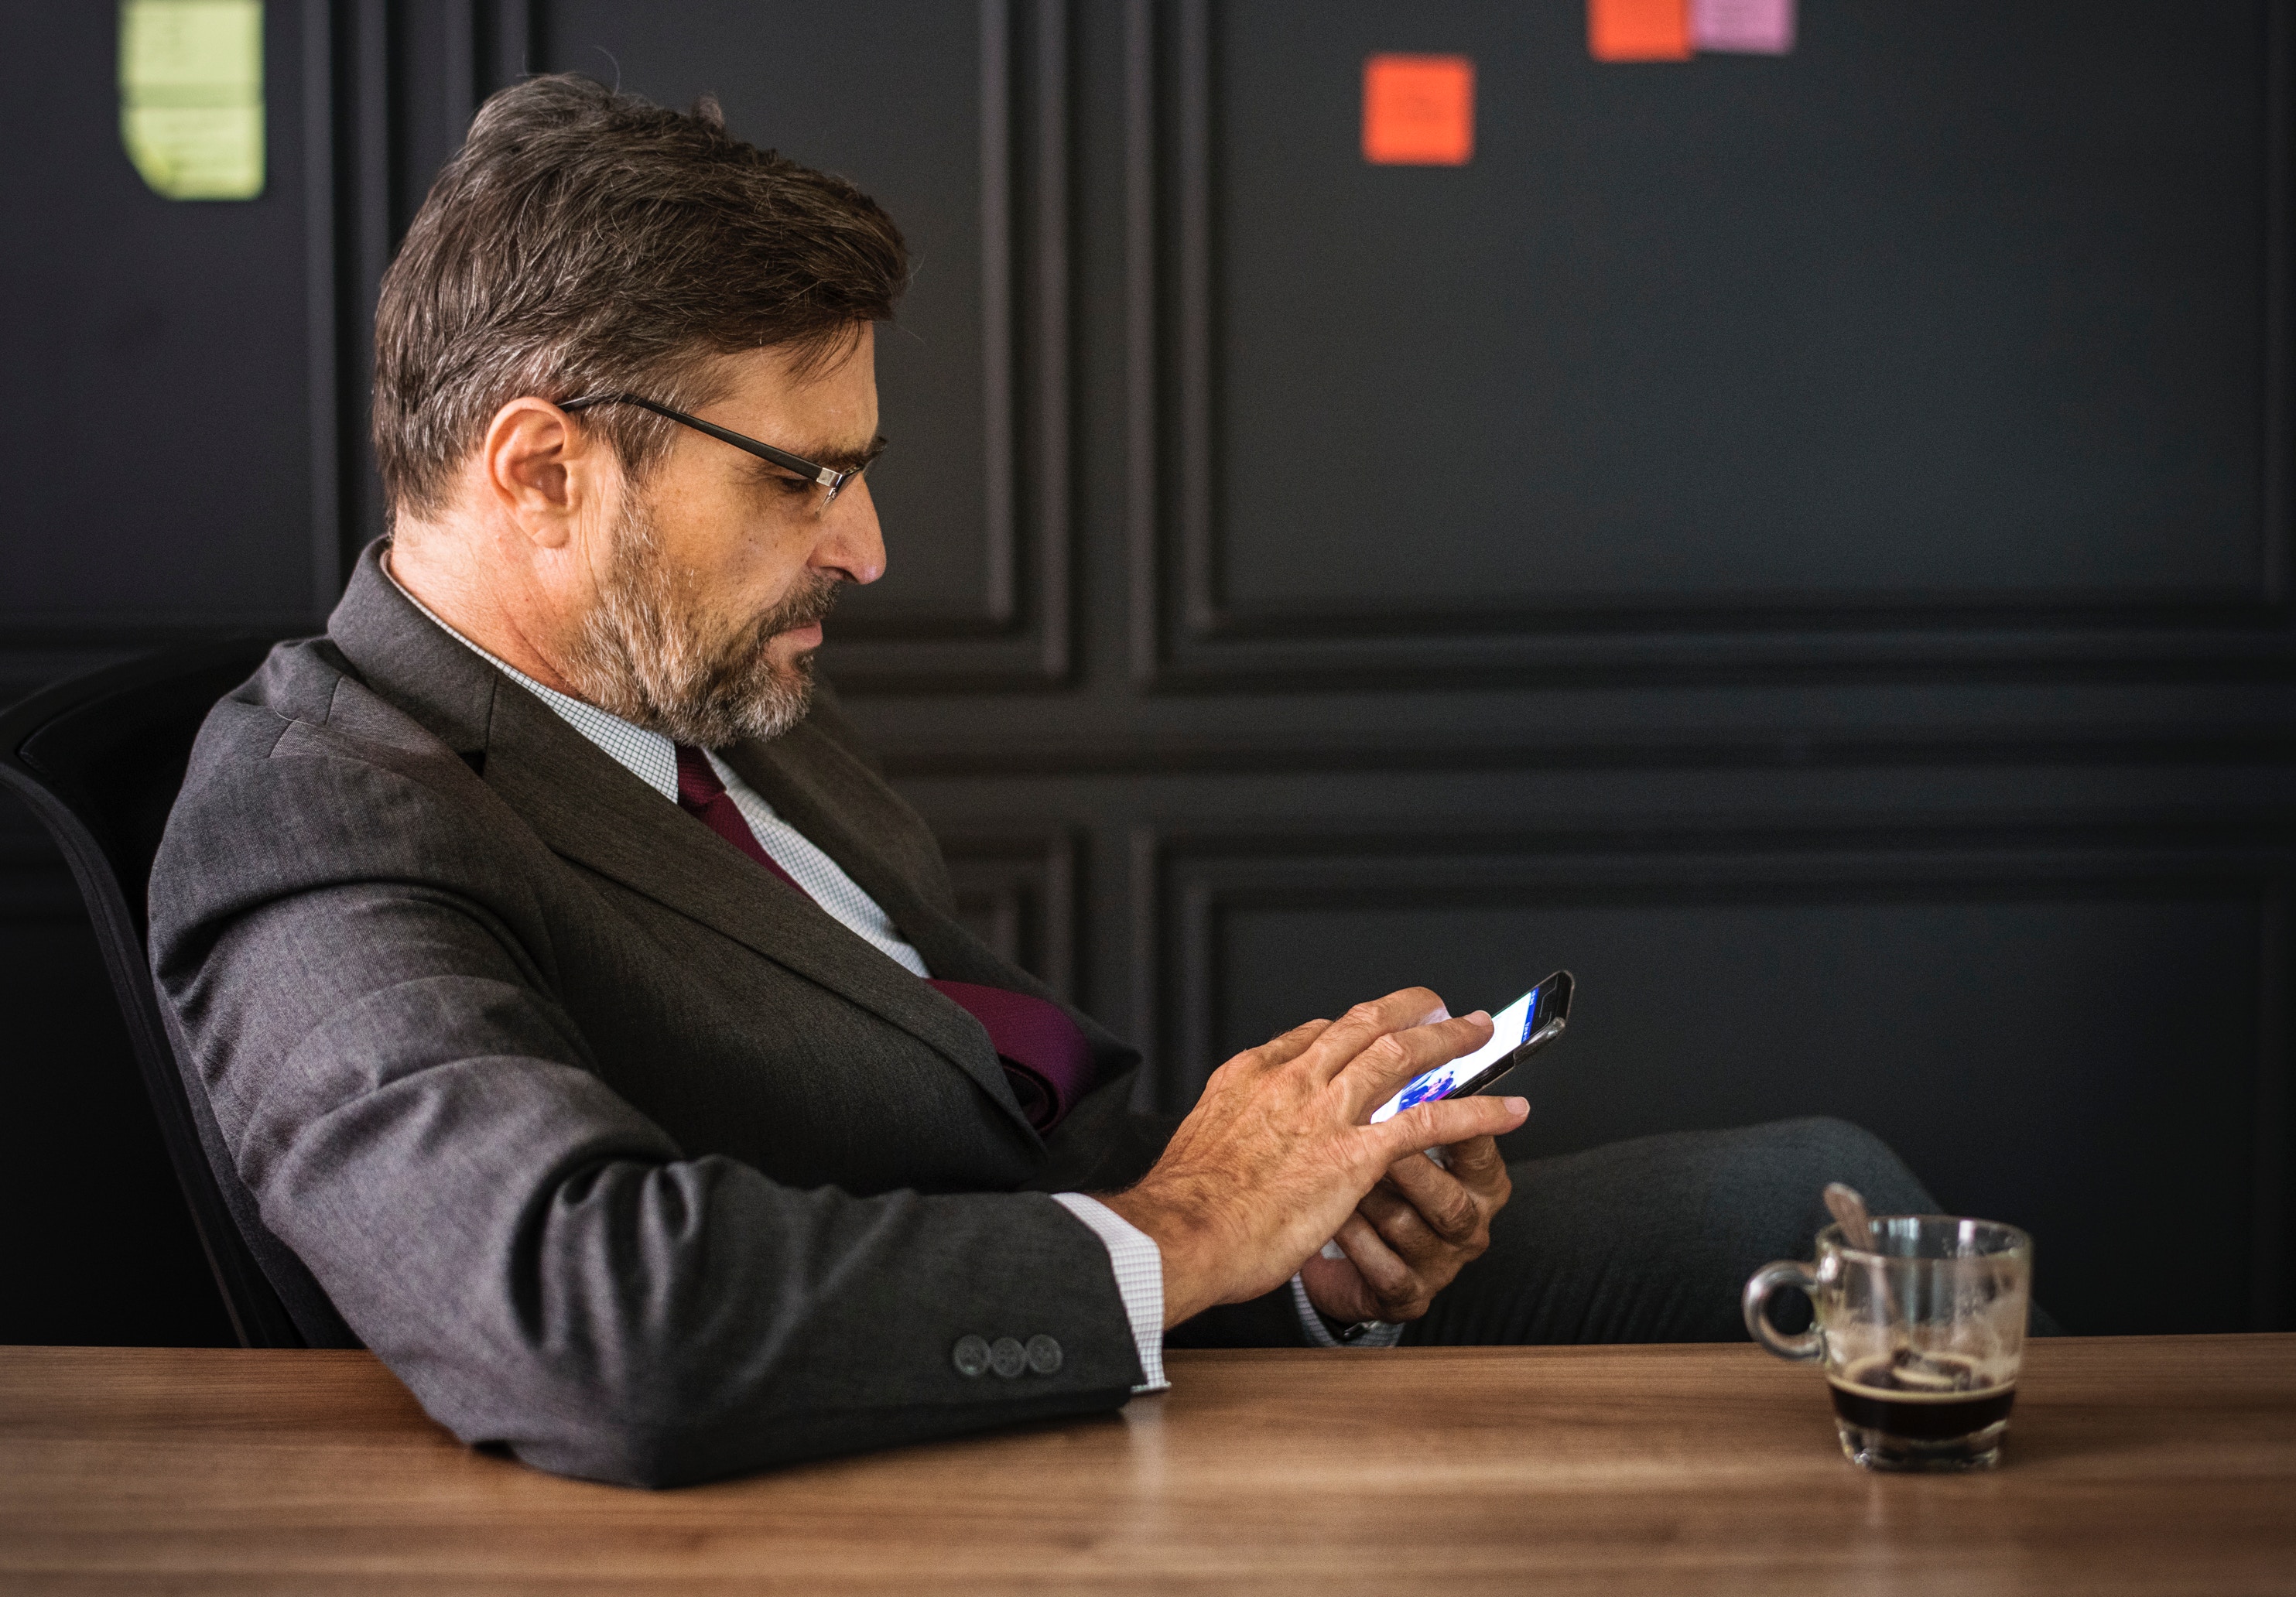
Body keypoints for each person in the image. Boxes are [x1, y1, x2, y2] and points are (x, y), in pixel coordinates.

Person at [149, 75, 1938, 1489]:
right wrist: (1182, 1234)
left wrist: (1307, 1244)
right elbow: (594, 1321)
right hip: (944, 1451)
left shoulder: (697, 679)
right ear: (540, 467)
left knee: (1819, 1193)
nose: (864, 542)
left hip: (1116, 1324)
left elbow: (993, 1102)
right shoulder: (317, 814)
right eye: (801, 477)